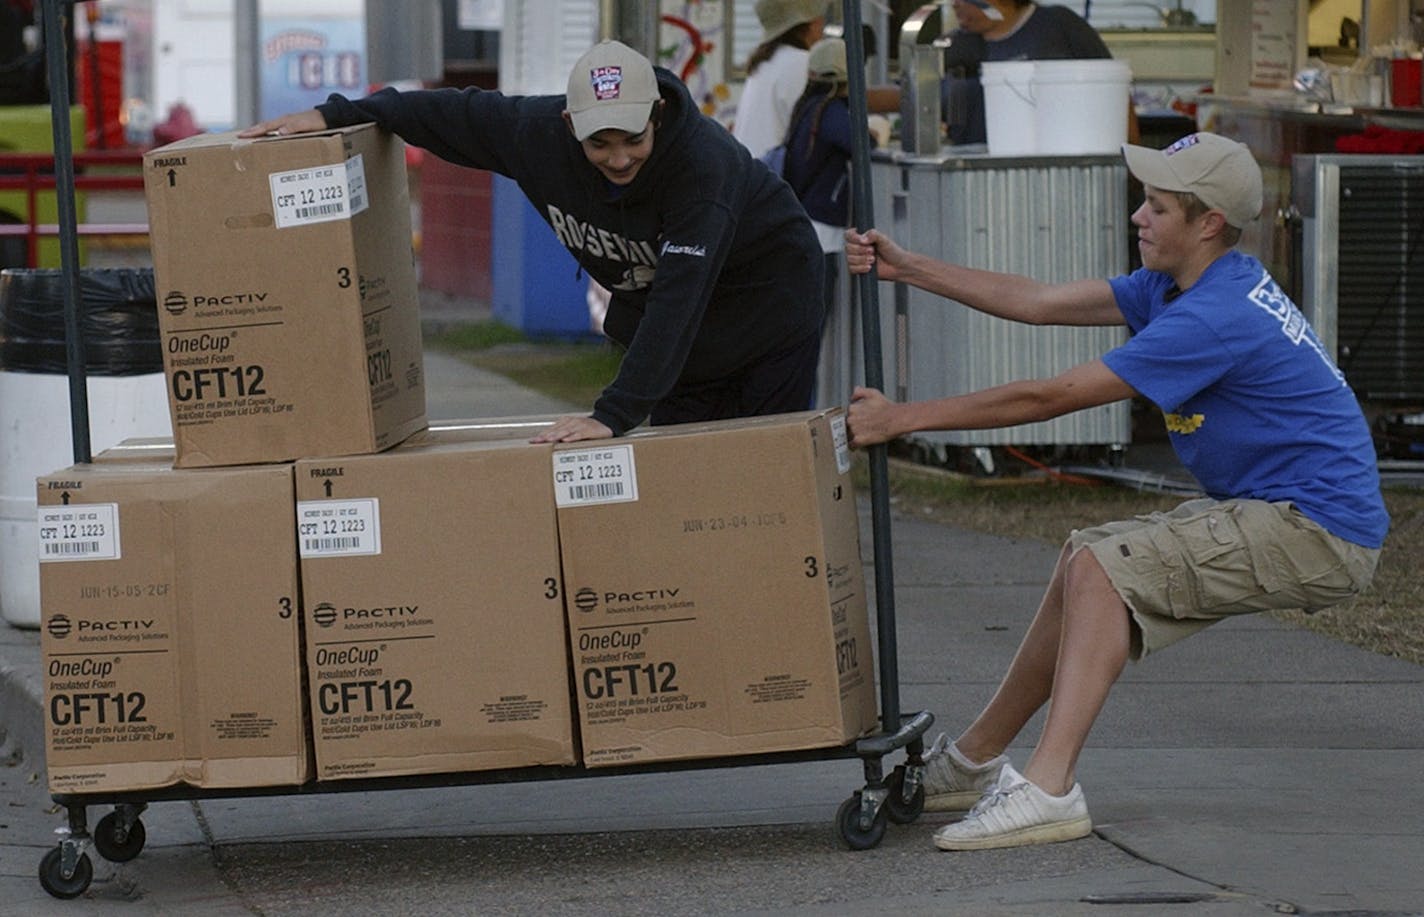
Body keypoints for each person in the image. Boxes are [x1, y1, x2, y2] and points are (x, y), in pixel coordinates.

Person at [843, 132, 1389, 850]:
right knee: (1084, 558)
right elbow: (1039, 302)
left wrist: (902, 419)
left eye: (1157, 207)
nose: (1138, 216)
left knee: (1107, 570)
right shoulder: (1178, 284)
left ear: (1209, 224)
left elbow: (1049, 396)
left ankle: (1049, 789)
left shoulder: (1213, 316)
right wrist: (909, 268)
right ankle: (975, 760)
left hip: (1318, 529)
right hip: (1282, 509)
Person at [241, 40, 825, 443]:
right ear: (571, 126)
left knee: (765, 465)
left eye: (633, 140)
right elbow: (446, 114)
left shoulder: (703, 171)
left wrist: (614, 413)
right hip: (687, 336)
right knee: (687, 477)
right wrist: (336, 113)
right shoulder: (536, 134)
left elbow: (679, 298)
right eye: (600, 144)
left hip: (768, 308)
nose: (619, 159)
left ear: (658, 115)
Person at [940, 0, 1117, 146]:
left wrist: (1130, 173)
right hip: (975, 171)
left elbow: (1115, 92)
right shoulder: (951, 47)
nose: (956, 4)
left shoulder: (1057, 25)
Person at [782, 37, 858, 325]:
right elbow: (861, 145)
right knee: (814, 324)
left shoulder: (807, 108)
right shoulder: (832, 112)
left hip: (806, 222)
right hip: (823, 230)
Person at [732, 0, 826, 160]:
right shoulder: (801, 62)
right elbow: (823, 121)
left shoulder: (765, 62)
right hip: (771, 176)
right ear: (806, 25)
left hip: (748, 171)